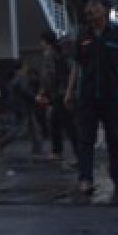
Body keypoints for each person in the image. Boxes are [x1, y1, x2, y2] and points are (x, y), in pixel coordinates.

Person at [65, 0, 118, 196]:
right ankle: (86, 179)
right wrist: (69, 91)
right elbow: (76, 66)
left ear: (106, 10)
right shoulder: (83, 35)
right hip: (87, 96)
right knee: (85, 140)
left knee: (115, 138)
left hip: (113, 96)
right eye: (88, 8)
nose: (89, 11)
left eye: (94, 7)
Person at [38, 30, 76, 161]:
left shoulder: (49, 53)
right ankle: (58, 150)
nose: (40, 44)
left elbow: (48, 75)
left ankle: (77, 153)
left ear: (45, 41)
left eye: (41, 41)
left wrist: (43, 91)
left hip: (58, 93)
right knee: (56, 121)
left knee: (67, 123)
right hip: (63, 91)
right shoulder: (59, 52)